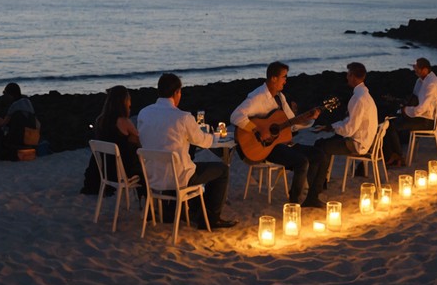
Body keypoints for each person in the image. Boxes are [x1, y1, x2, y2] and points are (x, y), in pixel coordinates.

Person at [137, 73, 237, 230]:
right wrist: (213, 138)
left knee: (190, 162)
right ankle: (211, 218)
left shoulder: (144, 113)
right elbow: (202, 141)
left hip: (153, 176)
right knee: (222, 169)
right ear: (177, 92)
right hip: (179, 178)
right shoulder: (183, 118)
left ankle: (195, 210)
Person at [231, 61, 326, 208]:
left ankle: (312, 197)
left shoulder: (280, 98)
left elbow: (291, 124)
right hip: (266, 148)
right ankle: (294, 202)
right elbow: (235, 116)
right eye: (284, 77)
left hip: (282, 143)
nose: (286, 80)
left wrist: (308, 119)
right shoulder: (257, 97)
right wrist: (257, 130)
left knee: (319, 155)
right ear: (273, 78)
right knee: (302, 162)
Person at [313, 62, 379, 191]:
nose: (347, 77)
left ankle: (319, 183)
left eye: (348, 75)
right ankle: (321, 180)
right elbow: (350, 122)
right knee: (326, 142)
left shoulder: (358, 98)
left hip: (358, 143)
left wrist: (331, 127)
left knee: (321, 146)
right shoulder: (365, 95)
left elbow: (349, 129)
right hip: (364, 139)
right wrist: (333, 126)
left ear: (354, 76)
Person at [81, 85, 142, 194]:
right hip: (119, 171)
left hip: (103, 170)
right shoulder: (124, 121)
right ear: (124, 101)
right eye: (129, 100)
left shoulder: (100, 120)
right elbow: (139, 140)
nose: (130, 103)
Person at [383, 58, 437, 167]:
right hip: (420, 116)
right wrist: (403, 105)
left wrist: (405, 110)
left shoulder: (431, 84)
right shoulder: (420, 81)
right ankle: (393, 155)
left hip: (427, 120)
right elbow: (414, 99)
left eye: (416, 68)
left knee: (392, 126)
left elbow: (422, 108)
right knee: (389, 121)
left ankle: (398, 157)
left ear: (424, 70)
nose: (414, 70)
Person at [0, 82, 39, 156]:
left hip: (18, 140)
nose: (5, 96)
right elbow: (37, 123)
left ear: (11, 95)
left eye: (5, 93)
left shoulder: (14, 106)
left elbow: (3, 123)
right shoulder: (28, 102)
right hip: (31, 139)